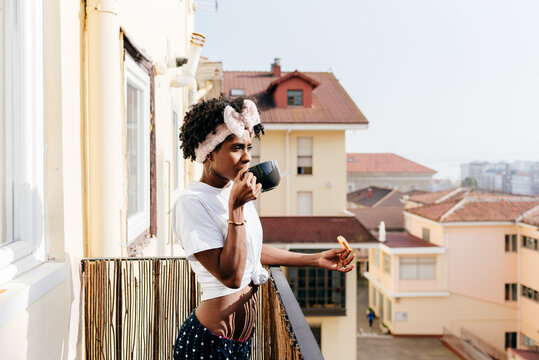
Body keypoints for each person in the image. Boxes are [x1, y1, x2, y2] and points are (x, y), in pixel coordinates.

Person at [172, 96, 355, 359]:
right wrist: (236, 207)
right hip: (209, 344)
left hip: (241, 341)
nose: (247, 158)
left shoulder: (234, 192)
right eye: (237, 148)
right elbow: (232, 277)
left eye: (249, 147)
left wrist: (315, 259)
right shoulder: (192, 203)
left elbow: (251, 251)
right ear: (209, 152)